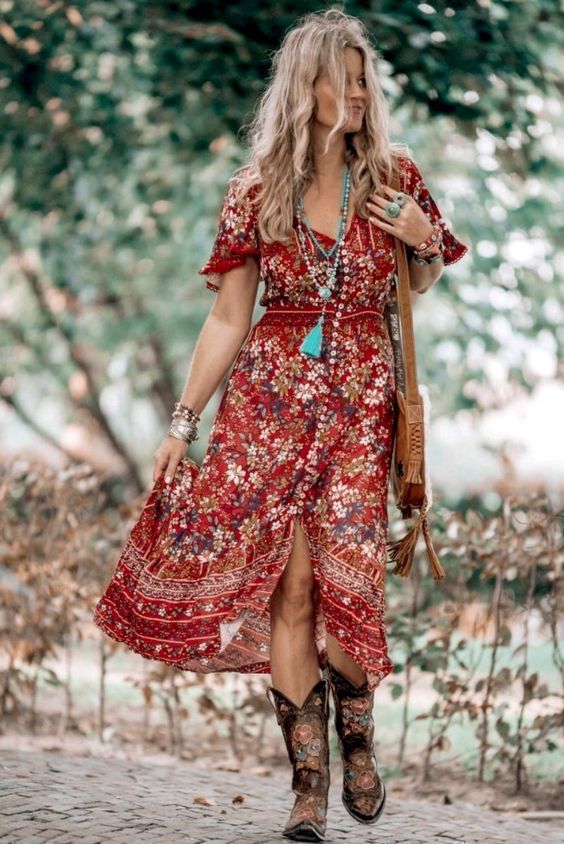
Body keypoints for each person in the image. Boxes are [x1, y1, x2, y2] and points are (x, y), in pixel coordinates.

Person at [93, 8, 469, 842]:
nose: (363, 91)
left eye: (367, 76)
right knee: (292, 589)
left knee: (352, 581)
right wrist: (182, 423)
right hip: (268, 406)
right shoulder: (255, 188)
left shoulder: (395, 178)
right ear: (310, 87)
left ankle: (357, 732)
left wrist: (421, 240)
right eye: (347, 77)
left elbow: (425, 279)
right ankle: (308, 786)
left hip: (361, 406)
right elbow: (229, 318)